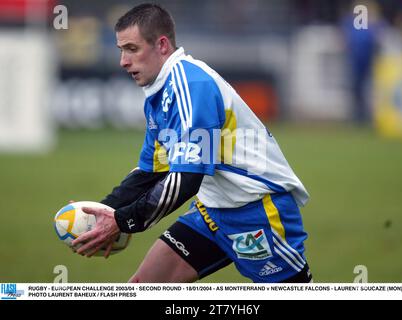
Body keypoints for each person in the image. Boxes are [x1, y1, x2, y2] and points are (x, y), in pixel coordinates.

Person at [72, 3, 312, 283]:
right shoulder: (158, 93)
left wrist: (123, 221)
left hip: (257, 210)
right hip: (211, 211)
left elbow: (188, 177)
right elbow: (153, 171)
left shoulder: (191, 85)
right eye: (121, 50)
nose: (123, 61)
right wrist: (104, 209)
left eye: (132, 49)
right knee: (143, 287)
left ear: (162, 45)